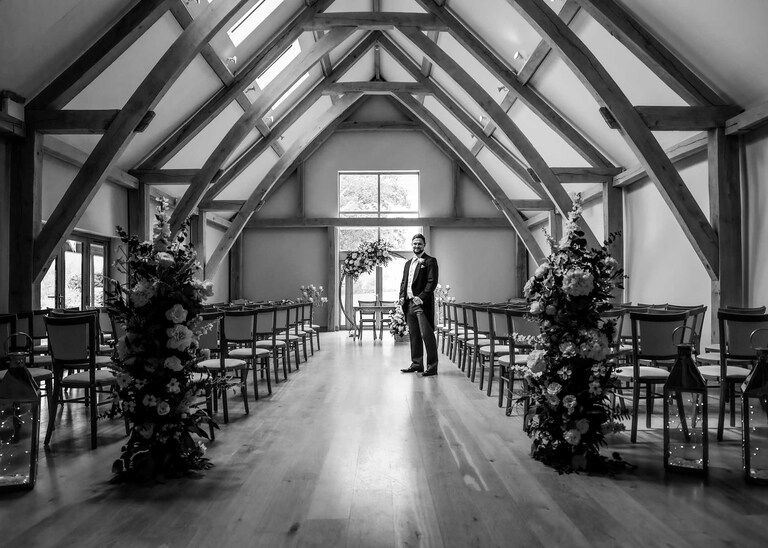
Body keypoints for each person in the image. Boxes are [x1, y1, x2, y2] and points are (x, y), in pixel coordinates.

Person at [399, 233, 439, 377]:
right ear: (412, 245)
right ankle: (417, 364)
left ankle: (432, 366)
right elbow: (404, 282)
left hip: (422, 305)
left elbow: (431, 282)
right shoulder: (408, 263)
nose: (417, 246)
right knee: (414, 335)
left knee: (427, 335)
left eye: (419, 244)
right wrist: (402, 297)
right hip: (408, 304)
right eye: (415, 243)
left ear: (424, 245)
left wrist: (420, 298)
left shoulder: (430, 261)